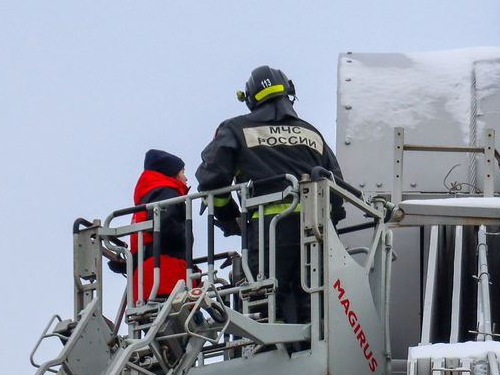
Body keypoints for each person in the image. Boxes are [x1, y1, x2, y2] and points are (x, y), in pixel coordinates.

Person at [196, 65, 344, 323]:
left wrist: (229, 217)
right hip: (314, 232)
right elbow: (337, 190)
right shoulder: (311, 133)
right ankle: (309, 345)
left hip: (268, 231)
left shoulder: (235, 129)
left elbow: (213, 179)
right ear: (289, 92)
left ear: (251, 97)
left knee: (266, 300)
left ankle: (273, 349)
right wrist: (331, 223)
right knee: (311, 299)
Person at [130, 149, 192, 303]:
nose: (186, 178)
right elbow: (165, 227)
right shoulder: (167, 193)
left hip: (146, 283)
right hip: (167, 279)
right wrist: (186, 236)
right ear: (172, 174)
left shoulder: (147, 198)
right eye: (183, 172)